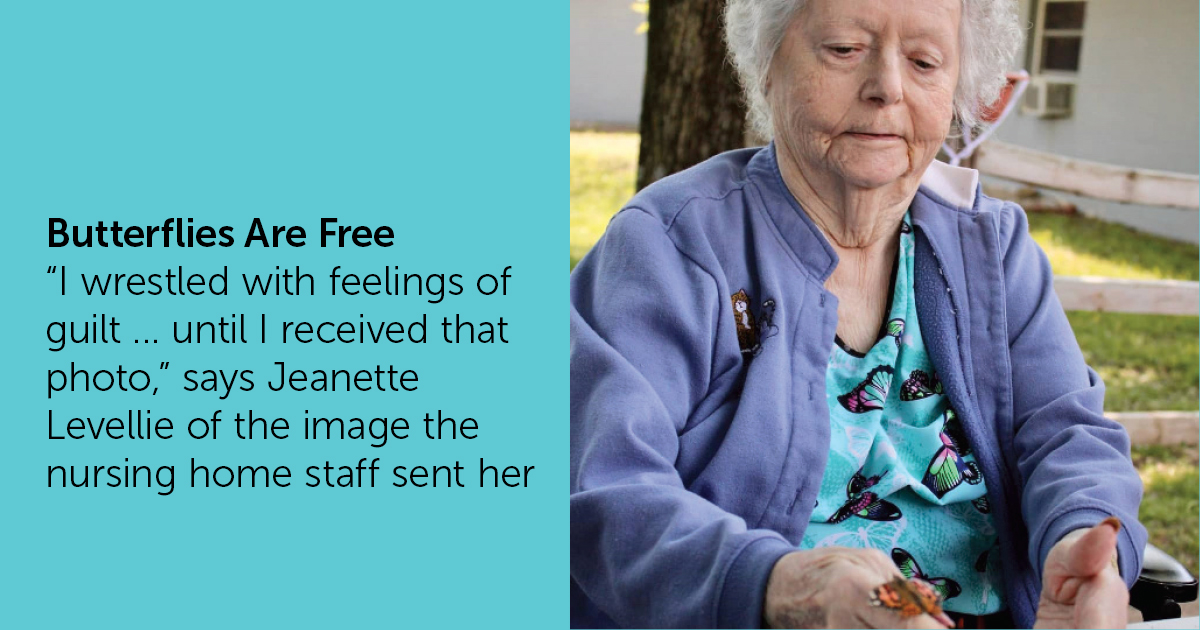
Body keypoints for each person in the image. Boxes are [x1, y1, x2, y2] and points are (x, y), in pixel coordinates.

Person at [569, 0, 1147, 628]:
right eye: (844, 49)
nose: (887, 89)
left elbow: (1066, 433)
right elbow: (603, 483)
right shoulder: (672, 244)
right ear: (767, 63)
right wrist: (782, 589)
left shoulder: (992, 248)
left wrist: (1083, 548)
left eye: (925, 61)